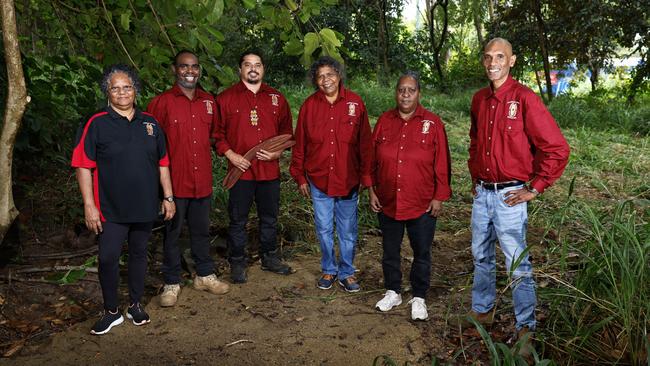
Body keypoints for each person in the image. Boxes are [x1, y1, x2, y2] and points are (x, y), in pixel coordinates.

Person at [465, 38, 570, 350]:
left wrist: (535, 188)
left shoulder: (524, 98)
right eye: (487, 57)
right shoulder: (479, 99)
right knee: (480, 256)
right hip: (483, 194)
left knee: (517, 264)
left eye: (500, 56)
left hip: (511, 196)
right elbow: (474, 141)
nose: (492, 62)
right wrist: (475, 176)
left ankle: (526, 327)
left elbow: (557, 148)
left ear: (511, 61)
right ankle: (482, 312)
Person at [71, 64, 176, 335]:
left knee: (140, 255)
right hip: (109, 208)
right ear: (108, 91)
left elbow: (163, 163)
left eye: (127, 87)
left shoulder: (150, 123)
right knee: (108, 258)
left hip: (144, 206)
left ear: (135, 90)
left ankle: (135, 305)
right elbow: (83, 165)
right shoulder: (96, 123)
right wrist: (89, 205)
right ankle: (111, 311)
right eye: (115, 87)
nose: (122, 92)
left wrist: (168, 197)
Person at [147, 50, 229, 307]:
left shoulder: (209, 102)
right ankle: (171, 281)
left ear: (199, 70)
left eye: (194, 67)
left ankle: (204, 274)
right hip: (174, 183)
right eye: (184, 67)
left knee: (201, 231)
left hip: (201, 180)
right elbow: (150, 147)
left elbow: (217, 137)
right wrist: (160, 189)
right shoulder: (160, 103)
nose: (189, 71)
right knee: (172, 234)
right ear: (175, 69)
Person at [369, 72, 451, 320]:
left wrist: (439, 196)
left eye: (411, 90)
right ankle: (393, 291)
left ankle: (419, 297)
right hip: (388, 200)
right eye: (401, 90)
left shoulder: (433, 123)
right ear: (396, 92)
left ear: (419, 93)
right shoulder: (384, 120)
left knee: (421, 251)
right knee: (390, 250)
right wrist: (372, 189)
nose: (405, 94)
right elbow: (372, 158)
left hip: (422, 202)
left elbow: (442, 163)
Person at [290, 56, 372, 293]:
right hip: (319, 179)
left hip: (348, 179)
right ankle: (329, 268)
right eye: (320, 76)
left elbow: (365, 143)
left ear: (339, 75)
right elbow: (300, 145)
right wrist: (300, 176)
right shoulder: (309, 106)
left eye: (330, 74)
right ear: (316, 81)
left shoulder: (355, 103)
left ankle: (346, 271)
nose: (326, 80)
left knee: (347, 229)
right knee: (324, 227)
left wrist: (366, 176)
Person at [215, 51, 293, 284]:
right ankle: (237, 262)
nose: (253, 69)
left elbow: (288, 135)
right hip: (241, 171)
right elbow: (216, 135)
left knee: (269, 217)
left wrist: (278, 152)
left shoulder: (277, 98)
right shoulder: (225, 98)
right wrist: (231, 155)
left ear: (263, 69)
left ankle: (269, 257)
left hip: (269, 171)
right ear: (240, 69)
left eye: (257, 65)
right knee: (238, 220)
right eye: (247, 65)